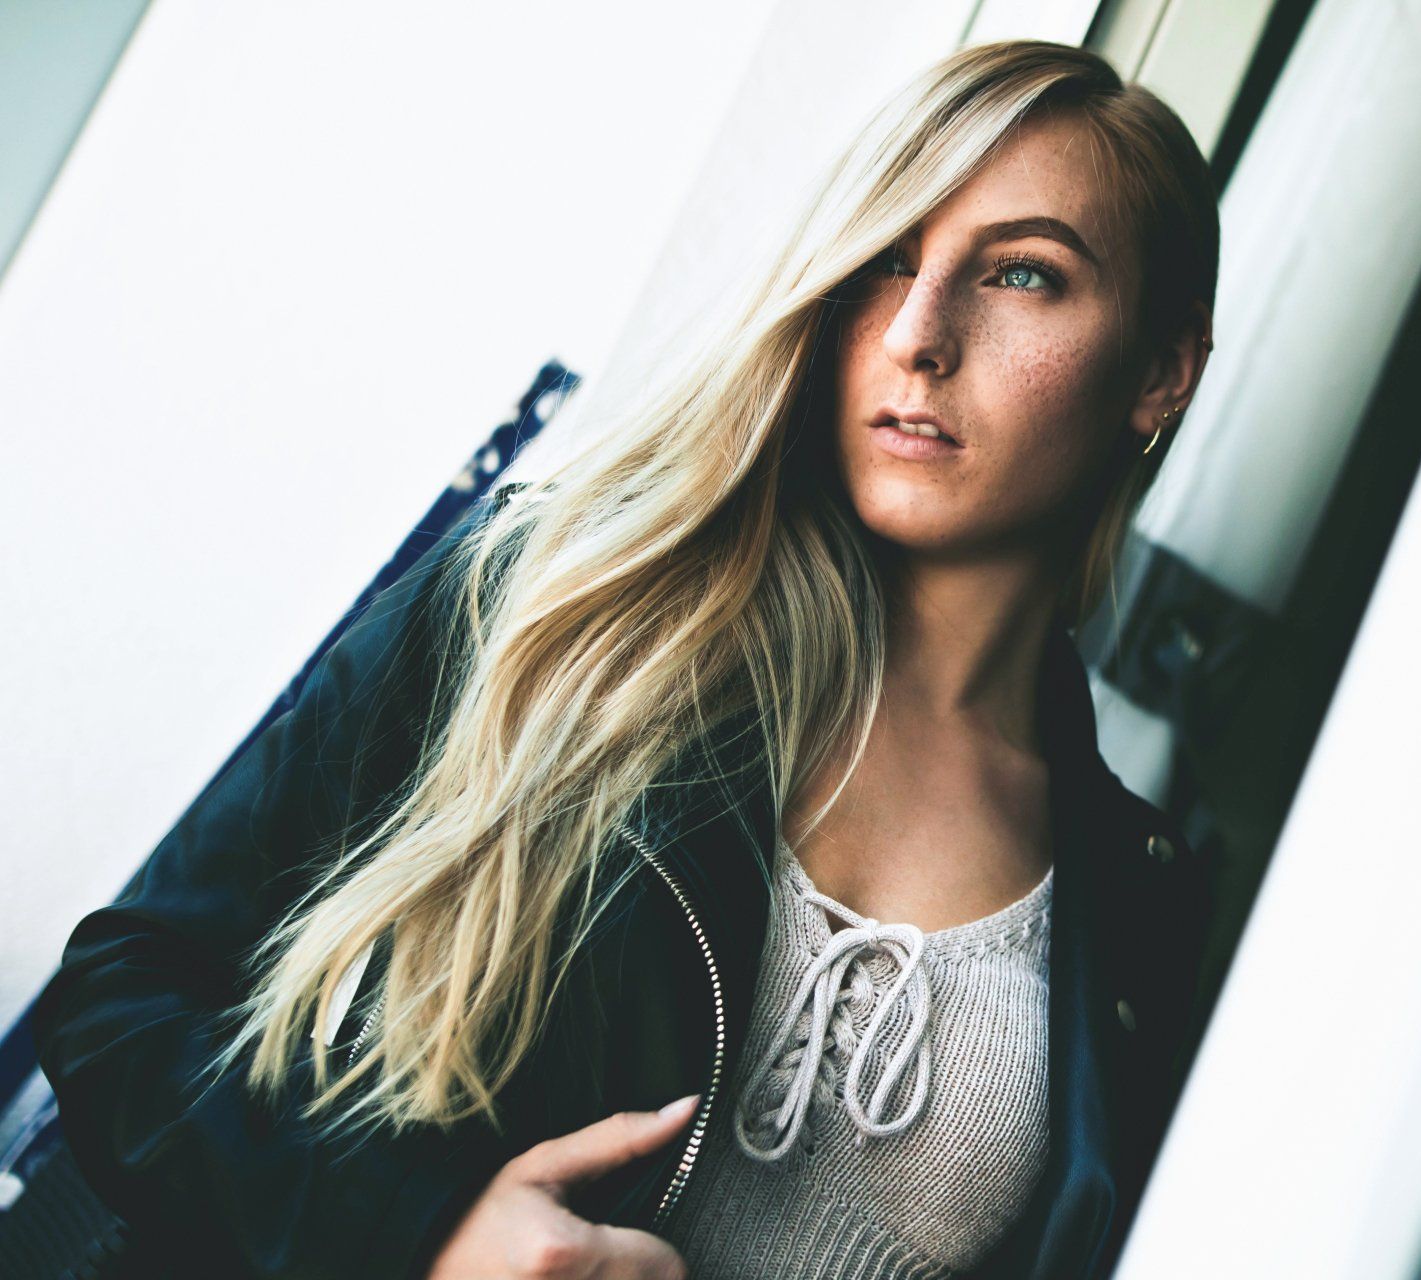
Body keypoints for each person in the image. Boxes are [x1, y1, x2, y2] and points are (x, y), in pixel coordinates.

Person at [30, 37, 1219, 1280]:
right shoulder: (565, 599)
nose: (918, 334)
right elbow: (124, 996)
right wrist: (424, 1237)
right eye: (888, 258)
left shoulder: (1134, 907)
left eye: (1023, 273)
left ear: (1159, 371)